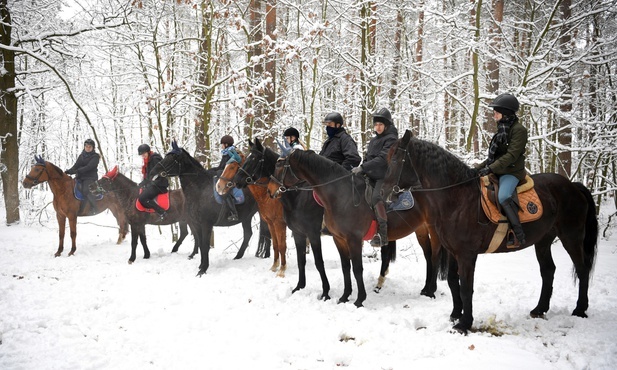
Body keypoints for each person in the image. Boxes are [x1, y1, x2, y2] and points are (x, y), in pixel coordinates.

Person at [476, 93, 527, 245]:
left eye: (496, 112)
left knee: (503, 196)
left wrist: (490, 168)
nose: (494, 114)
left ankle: (518, 234)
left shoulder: (519, 130)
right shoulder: (502, 129)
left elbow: (511, 155)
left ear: (505, 113)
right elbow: (495, 156)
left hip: (511, 172)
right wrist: (479, 168)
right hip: (498, 170)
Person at [351, 108, 399, 247]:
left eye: (380, 125)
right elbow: (368, 157)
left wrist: (364, 168)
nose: (377, 127)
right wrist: (361, 168)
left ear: (386, 125)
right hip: (371, 174)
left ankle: (382, 234)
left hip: (384, 176)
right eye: (376, 124)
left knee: (375, 197)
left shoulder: (391, 139)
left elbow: (382, 159)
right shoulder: (374, 140)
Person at [65, 138, 100, 215]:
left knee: (85, 190)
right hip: (80, 177)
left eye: (89, 146)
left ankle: (94, 208)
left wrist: (77, 171)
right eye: (86, 146)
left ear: (93, 148)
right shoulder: (81, 156)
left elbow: (89, 167)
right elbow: (76, 166)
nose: (87, 148)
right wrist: (68, 171)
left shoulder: (96, 157)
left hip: (90, 177)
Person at [137, 144, 169, 219]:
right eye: (141, 155)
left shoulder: (155, 159)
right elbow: (148, 177)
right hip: (154, 184)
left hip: (159, 184)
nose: (143, 156)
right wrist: (140, 185)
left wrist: (152, 182)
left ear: (148, 152)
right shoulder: (148, 161)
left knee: (142, 198)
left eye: (144, 153)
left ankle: (162, 212)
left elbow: (159, 172)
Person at [216, 135, 241, 221]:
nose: (221, 146)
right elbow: (221, 167)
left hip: (231, 179)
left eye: (222, 144)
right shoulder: (225, 153)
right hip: (224, 177)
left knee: (225, 193)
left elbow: (229, 169)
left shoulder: (232, 154)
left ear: (226, 144)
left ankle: (234, 213)